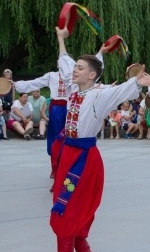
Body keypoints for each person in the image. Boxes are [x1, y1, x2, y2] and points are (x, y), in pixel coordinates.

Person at [43, 27, 150, 252]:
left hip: (82, 161)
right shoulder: (75, 89)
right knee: (65, 209)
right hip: (69, 156)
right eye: (75, 67)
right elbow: (64, 63)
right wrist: (61, 38)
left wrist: (136, 83)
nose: (74, 70)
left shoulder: (99, 95)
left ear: (92, 75)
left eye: (80, 68)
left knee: (65, 210)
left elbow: (121, 93)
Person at [13, 47, 107, 177]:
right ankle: (55, 167)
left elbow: (93, 70)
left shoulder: (74, 79)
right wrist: (17, 85)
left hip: (72, 108)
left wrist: (100, 53)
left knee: (71, 137)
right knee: (56, 139)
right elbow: (34, 83)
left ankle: (72, 167)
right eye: (60, 62)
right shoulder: (51, 76)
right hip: (57, 109)